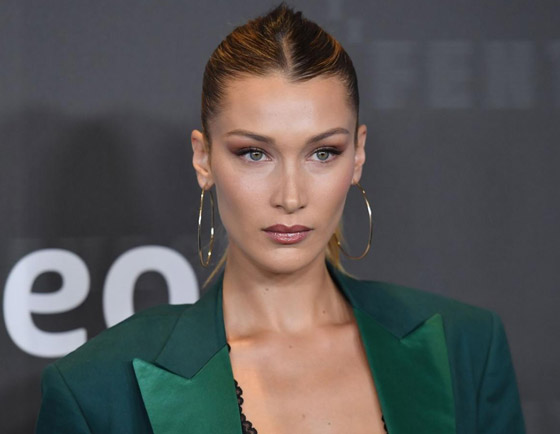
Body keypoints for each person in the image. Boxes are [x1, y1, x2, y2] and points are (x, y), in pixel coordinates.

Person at [35, 3, 526, 433]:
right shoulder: (97, 388)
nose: (290, 196)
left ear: (358, 155)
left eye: (323, 153)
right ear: (203, 159)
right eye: (254, 154)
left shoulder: (467, 349)